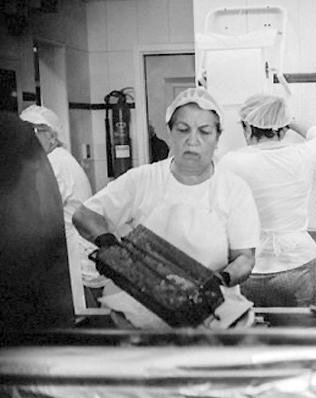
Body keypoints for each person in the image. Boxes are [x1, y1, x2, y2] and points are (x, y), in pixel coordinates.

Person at [73, 87, 260, 327]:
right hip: (140, 309)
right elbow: (84, 216)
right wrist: (109, 244)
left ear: (217, 138)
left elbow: (244, 258)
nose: (193, 140)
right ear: (169, 132)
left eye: (204, 131)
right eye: (183, 130)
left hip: (212, 310)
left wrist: (218, 280)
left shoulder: (234, 189)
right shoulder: (142, 179)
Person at [218, 94, 316, 307]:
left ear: (246, 128)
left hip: (250, 269)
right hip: (298, 264)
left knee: (254, 334)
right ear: (283, 129)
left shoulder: (230, 162)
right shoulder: (302, 155)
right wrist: (289, 120)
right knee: (301, 336)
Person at [20, 104, 95, 313]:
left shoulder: (56, 163)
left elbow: (34, 213)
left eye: (35, 131)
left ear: (52, 137)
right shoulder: (54, 160)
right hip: (71, 261)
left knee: (80, 326)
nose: (28, 139)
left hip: (75, 264)